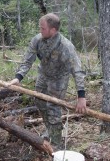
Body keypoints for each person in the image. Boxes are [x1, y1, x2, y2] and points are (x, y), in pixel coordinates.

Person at [9, 13, 87, 149]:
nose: (40, 30)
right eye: (40, 28)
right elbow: (28, 59)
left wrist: (81, 96)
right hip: (43, 75)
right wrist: (18, 77)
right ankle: (50, 130)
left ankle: (56, 144)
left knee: (53, 108)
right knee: (39, 102)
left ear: (53, 30)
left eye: (43, 28)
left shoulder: (66, 47)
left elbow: (77, 71)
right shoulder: (37, 40)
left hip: (59, 79)